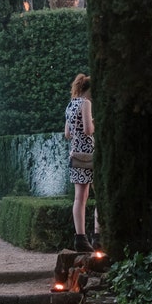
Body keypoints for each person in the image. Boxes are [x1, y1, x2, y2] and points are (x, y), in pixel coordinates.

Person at [63, 73, 95, 251]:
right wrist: (95, 122)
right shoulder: (85, 103)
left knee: (78, 198)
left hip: (75, 154)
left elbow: (67, 134)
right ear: (87, 90)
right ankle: (94, 236)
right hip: (88, 153)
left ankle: (80, 237)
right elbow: (89, 130)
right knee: (88, 197)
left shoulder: (70, 105)